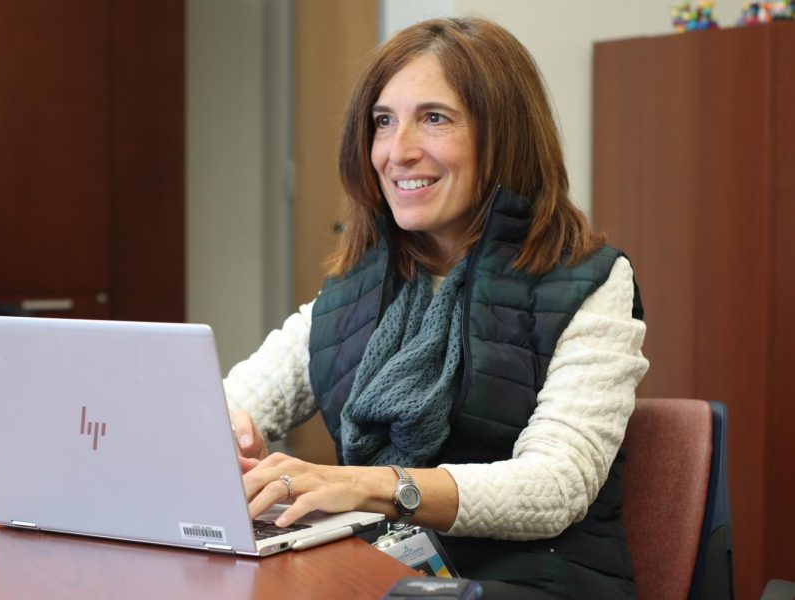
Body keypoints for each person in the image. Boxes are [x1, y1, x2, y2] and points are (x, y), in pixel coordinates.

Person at [223, 17, 648, 599]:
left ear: (505, 136)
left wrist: (372, 486)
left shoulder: (592, 282)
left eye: (435, 118)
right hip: (385, 574)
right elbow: (237, 400)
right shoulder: (354, 286)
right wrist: (224, 429)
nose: (398, 152)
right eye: (383, 122)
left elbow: (556, 485)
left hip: (533, 581)